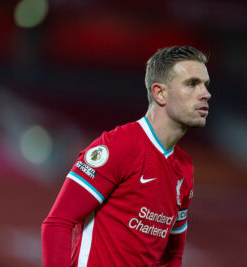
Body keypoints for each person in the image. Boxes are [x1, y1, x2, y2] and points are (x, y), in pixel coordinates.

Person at [41, 45, 211, 267]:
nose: (206, 94)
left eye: (205, 85)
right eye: (192, 84)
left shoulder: (184, 168)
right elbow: (58, 222)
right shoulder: (119, 146)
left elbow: (172, 255)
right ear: (160, 93)